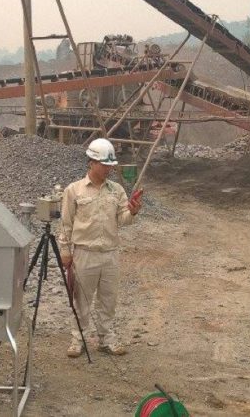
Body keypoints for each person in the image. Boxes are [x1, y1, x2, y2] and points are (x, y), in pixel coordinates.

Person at [58, 138, 142, 357]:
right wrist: (65, 252)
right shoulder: (74, 190)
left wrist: (132, 212)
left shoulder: (116, 190)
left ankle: (106, 339)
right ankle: (78, 339)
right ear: (92, 162)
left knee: (108, 300)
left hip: (110, 254)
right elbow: (66, 224)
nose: (108, 169)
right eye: (104, 165)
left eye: (110, 165)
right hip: (84, 253)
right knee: (81, 300)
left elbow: (122, 220)